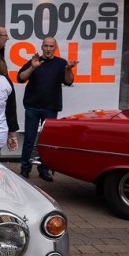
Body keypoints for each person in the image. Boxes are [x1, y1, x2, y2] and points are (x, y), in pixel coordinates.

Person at [16, 37, 77, 182]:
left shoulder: (61, 63)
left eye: (51, 46)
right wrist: (32, 67)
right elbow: (20, 78)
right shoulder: (35, 61)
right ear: (42, 47)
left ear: (55, 47)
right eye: (46, 46)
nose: (48, 49)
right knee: (29, 140)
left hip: (51, 107)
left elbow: (69, 81)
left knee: (47, 142)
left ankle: (44, 169)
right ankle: (25, 168)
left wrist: (68, 69)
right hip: (32, 107)